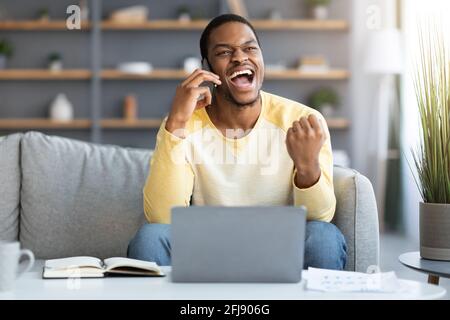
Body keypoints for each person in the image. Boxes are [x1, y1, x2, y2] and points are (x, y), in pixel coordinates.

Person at [128, 14, 346, 270]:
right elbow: (161, 217)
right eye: (224, 52)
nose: (240, 57)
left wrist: (308, 167)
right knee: (149, 238)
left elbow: (320, 218)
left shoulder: (302, 121)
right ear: (206, 68)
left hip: (279, 244)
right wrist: (175, 121)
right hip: (206, 245)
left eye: (250, 48)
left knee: (325, 238)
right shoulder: (184, 123)